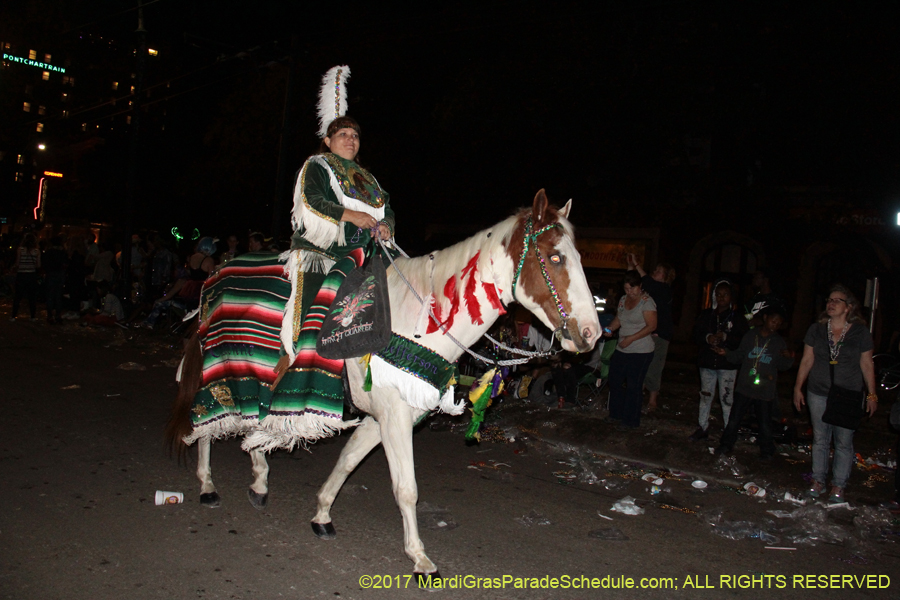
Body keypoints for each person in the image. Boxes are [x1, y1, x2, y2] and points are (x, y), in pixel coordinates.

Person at [793, 285, 877, 503]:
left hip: (848, 394)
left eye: (836, 301)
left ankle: (838, 485)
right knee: (820, 438)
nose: (830, 304)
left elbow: (867, 363)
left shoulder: (860, 332)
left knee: (843, 441)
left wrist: (872, 394)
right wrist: (797, 387)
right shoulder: (817, 330)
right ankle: (818, 481)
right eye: (829, 300)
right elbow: (807, 359)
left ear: (848, 307)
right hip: (819, 391)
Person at [713, 305, 794, 459]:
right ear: (765, 318)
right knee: (734, 419)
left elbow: (783, 366)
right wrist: (726, 353)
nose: (775, 325)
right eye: (773, 321)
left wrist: (788, 357)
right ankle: (726, 445)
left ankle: (767, 450)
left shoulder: (778, 342)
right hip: (745, 386)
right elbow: (739, 355)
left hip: (765, 389)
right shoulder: (751, 336)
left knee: (765, 423)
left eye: (778, 323)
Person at [690, 280, 749, 441]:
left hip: (727, 365)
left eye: (725, 294)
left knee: (727, 399)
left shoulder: (737, 318)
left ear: (731, 297)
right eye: (718, 294)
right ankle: (702, 427)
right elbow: (696, 334)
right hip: (707, 363)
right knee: (705, 396)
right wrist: (708, 338)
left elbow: (743, 340)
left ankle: (729, 431)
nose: (721, 297)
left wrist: (726, 337)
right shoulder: (706, 315)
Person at [602, 270, 657, 429]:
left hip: (641, 350)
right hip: (623, 348)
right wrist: (609, 329)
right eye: (626, 289)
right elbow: (619, 318)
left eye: (632, 288)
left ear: (640, 286)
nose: (630, 292)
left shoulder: (647, 302)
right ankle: (615, 414)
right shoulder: (623, 300)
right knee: (615, 380)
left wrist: (631, 338)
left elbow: (652, 326)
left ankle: (631, 420)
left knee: (634, 385)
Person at [628, 254, 675, 413]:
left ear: (666, 276)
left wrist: (637, 264)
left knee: (654, 368)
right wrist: (631, 266)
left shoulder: (664, 290)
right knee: (641, 365)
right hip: (646, 333)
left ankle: (653, 400)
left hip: (660, 335)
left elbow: (648, 281)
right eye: (655, 270)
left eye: (659, 271)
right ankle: (637, 397)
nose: (655, 272)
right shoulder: (650, 289)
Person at [10, 232, 41, 322]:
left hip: (21, 274)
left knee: (18, 296)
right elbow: (38, 265)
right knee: (32, 297)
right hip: (31, 275)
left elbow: (17, 263)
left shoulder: (20, 250)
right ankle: (32, 316)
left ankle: (13, 316)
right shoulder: (37, 251)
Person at [43, 235, 68, 323]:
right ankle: (58, 315)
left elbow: (44, 264)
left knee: (50, 295)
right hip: (60, 274)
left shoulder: (49, 252)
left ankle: (50, 316)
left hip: (51, 274)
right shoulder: (63, 252)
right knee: (58, 296)